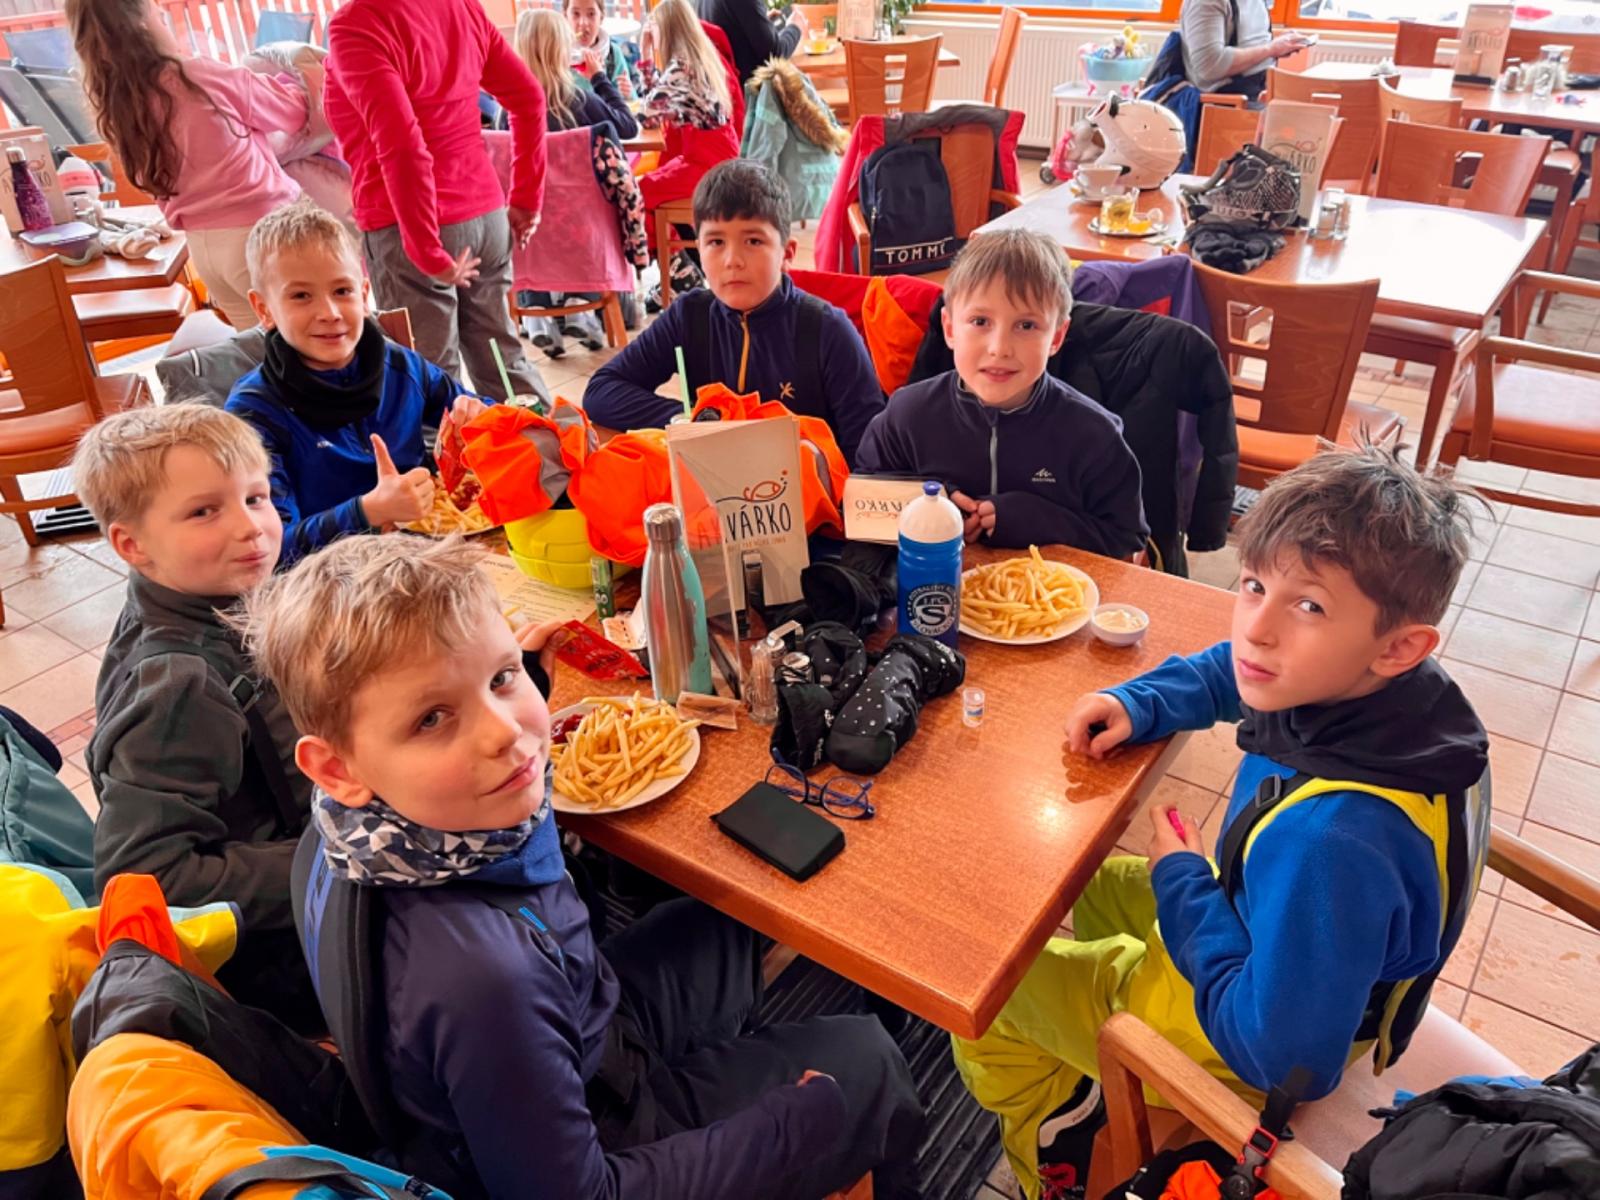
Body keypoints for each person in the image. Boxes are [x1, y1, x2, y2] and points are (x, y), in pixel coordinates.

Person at [237, 533, 925, 1200]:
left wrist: (511, 689)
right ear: (337, 768)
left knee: (737, 911)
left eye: (500, 677)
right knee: (867, 1064)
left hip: (582, 1029)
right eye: (431, 719)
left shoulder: (356, 832)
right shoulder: (481, 981)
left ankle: (731, 1082)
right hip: (596, 1135)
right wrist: (790, 1127)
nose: (506, 731)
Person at [951, 445, 1491, 1200]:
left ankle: (1056, 1157)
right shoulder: (1397, 701)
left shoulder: (1331, 844)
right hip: (1280, 938)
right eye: (1254, 585)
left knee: (983, 996)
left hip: (1249, 1035)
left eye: (1309, 606)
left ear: (1400, 646)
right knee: (1070, 883)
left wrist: (1182, 882)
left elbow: (1284, 1056)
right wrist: (1141, 701)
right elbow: (1236, 668)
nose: (1257, 630)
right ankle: (1101, 1057)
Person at [76, 405, 323, 1033]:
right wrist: (333, 856)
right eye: (204, 512)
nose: (252, 528)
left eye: (256, 497)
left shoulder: (207, 597)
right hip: (290, 958)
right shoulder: (180, 685)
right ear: (132, 545)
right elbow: (146, 878)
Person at [225, 199, 489, 565]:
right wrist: (366, 512)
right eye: (301, 296)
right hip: (331, 578)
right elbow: (269, 548)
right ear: (264, 309)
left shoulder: (401, 366)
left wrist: (477, 414)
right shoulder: (253, 413)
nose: (329, 313)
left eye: (342, 291)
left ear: (364, 295)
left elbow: (477, 414)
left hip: (430, 554)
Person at [855, 230, 1147, 558]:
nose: (1000, 348)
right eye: (980, 321)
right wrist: (932, 505)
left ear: (1056, 337)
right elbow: (861, 504)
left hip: (1050, 589)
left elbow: (1126, 539)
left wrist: (1037, 520)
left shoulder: (1094, 434)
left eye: (1026, 326)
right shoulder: (906, 415)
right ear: (950, 328)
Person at [585, 159, 885, 465]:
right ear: (699, 250)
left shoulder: (828, 331)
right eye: (716, 242)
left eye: (753, 241)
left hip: (805, 489)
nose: (732, 260)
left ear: (787, 253)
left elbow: (870, 454)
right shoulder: (689, 316)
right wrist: (694, 420)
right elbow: (602, 390)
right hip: (709, 484)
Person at [323, 0, 549, 402]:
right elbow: (529, 98)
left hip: (408, 226)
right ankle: (547, 441)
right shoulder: (461, 7)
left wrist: (426, 248)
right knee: (502, 358)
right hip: (485, 218)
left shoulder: (357, 24)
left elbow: (402, 145)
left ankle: (452, 448)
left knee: (428, 377)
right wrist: (526, 199)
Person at [66, 0, 308, 332]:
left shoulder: (120, 104)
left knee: (263, 354)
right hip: (259, 236)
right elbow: (294, 111)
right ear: (142, 24)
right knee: (314, 348)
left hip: (205, 251)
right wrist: (291, 77)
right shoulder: (197, 76)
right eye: (157, 13)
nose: (164, 19)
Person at [501, 5, 636, 357]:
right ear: (562, 47)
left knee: (533, 219)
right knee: (589, 209)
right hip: (581, 232)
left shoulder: (506, 109)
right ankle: (582, 299)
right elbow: (627, 127)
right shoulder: (579, 99)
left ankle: (537, 308)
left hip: (528, 233)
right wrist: (600, 78)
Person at [635, 0, 742, 281]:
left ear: (667, 29)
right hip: (715, 156)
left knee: (637, 194)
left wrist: (645, 54)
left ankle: (679, 269)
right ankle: (682, 266)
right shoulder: (698, 58)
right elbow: (656, 108)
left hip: (707, 164)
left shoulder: (681, 66)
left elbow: (647, 116)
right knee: (647, 186)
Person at [1179, 0, 1309, 98]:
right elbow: (1210, 66)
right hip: (1227, 99)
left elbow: (1253, 43)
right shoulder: (1205, 3)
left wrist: (1282, 45)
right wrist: (1271, 49)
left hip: (1262, 88)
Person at [695, 0, 808, 85]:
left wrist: (761, 22)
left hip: (723, 89)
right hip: (753, 97)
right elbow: (774, 55)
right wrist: (795, 27)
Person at [566, 0, 641, 97]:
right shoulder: (556, 54)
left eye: (591, 14)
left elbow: (630, 102)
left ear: (601, 17)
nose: (583, 23)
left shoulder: (612, 53)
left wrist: (628, 93)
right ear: (565, 16)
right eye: (576, 14)